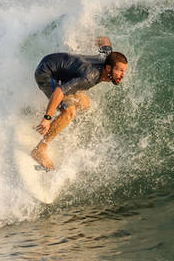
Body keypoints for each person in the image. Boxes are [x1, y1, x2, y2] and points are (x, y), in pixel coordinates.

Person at [30, 36, 128, 170]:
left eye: (124, 71)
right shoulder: (90, 77)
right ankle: (40, 149)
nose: (123, 75)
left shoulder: (107, 57)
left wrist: (84, 40)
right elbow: (59, 91)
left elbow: (104, 40)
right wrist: (48, 118)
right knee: (70, 112)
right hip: (46, 73)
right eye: (120, 71)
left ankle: (44, 112)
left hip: (57, 66)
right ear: (109, 68)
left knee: (84, 103)